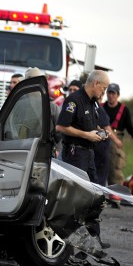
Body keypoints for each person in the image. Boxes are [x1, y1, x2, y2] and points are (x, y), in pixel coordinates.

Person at [56, 70, 110, 247]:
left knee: (95, 196)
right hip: (75, 153)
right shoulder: (73, 100)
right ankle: (69, 238)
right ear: (95, 84)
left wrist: (100, 132)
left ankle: (95, 238)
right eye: (104, 88)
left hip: (89, 154)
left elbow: (90, 125)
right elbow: (61, 127)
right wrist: (87, 135)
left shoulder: (93, 103)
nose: (104, 92)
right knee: (76, 198)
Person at [102, 83, 133, 185]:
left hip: (116, 142)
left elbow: (129, 126)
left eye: (113, 93)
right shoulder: (101, 107)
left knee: (115, 171)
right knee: (99, 167)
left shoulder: (124, 109)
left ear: (118, 95)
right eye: (109, 93)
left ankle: (116, 196)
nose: (111, 95)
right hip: (101, 137)